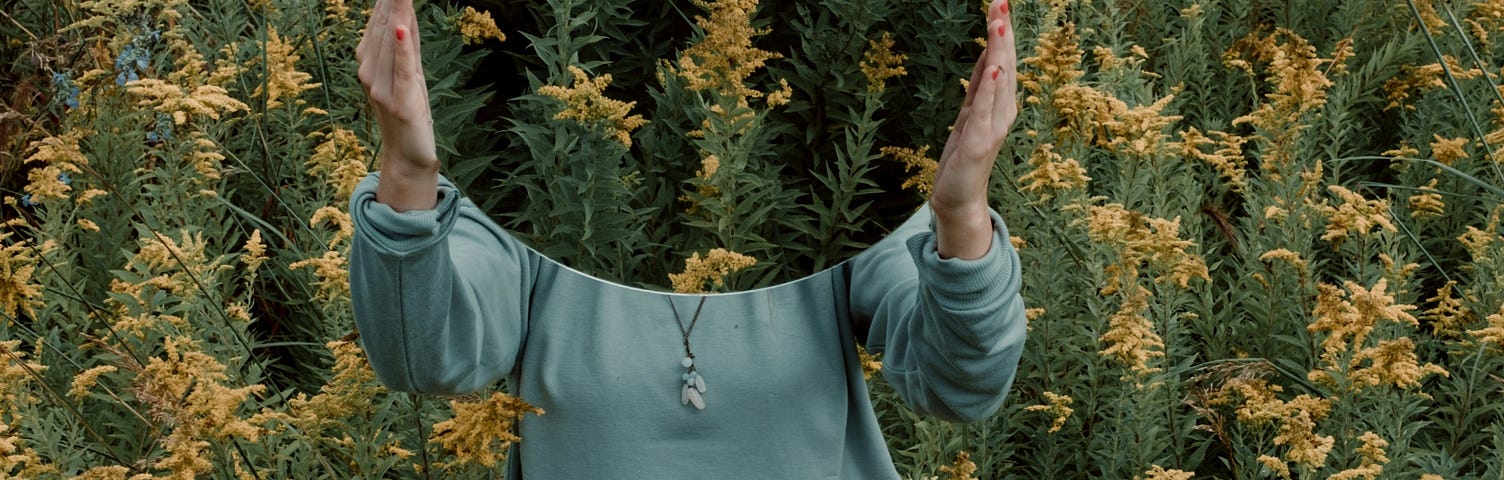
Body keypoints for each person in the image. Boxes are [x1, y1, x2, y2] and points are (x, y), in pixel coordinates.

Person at [348, 0, 1026, 477]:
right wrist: (407, 171)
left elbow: (957, 387)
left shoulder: (842, 205)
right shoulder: (533, 185)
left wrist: (961, 212)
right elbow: (426, 360)